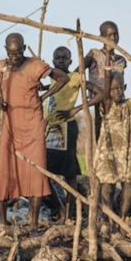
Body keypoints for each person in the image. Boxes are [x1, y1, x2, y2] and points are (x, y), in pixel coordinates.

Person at [0, 33, 70, 232]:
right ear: (5, 50)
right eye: (10, 53)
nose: (14, 57)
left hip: (33, 126)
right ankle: (2, 222)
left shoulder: (35, 65)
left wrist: (45, 95)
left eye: (18, 53)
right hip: (10, 125)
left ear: (24, 49)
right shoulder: (1, 67)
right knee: (4, 170)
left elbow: (63, 78)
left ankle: (33, 224)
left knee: (36, 173)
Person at [91, 75, 131, 220]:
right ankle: (110, 218)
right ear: (108, 91)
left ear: (124, 88)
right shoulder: (107, 104)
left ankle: (123, 218)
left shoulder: (129, 104)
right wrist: (107, 56)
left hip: (126, 150)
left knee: (129, 183)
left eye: (119, 88)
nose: (117, 92)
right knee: (107, 186)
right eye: (112, 89)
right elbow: (106, 81)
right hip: (108, 151)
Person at [43, 46, 81, 221]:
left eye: (64, 58)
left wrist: (75, 110)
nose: (60, 60)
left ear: (70, 61)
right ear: (53, 61)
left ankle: (69, 210)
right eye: (57, 58)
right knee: (44, 171)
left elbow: (98, 92)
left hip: (67, 129)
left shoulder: (74, 77)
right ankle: (60, 207)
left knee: (69, 173)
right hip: (52, 130)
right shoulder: (54, 78)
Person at [83, 20, 127, 136]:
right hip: (99, 100)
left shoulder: (121, 59)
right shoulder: (94, 54)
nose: (113, 38)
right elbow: (78, 72)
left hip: (117, 101)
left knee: (118, 135)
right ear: (101, 37)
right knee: (101, 133)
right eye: (109, 35)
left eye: (115, 34)